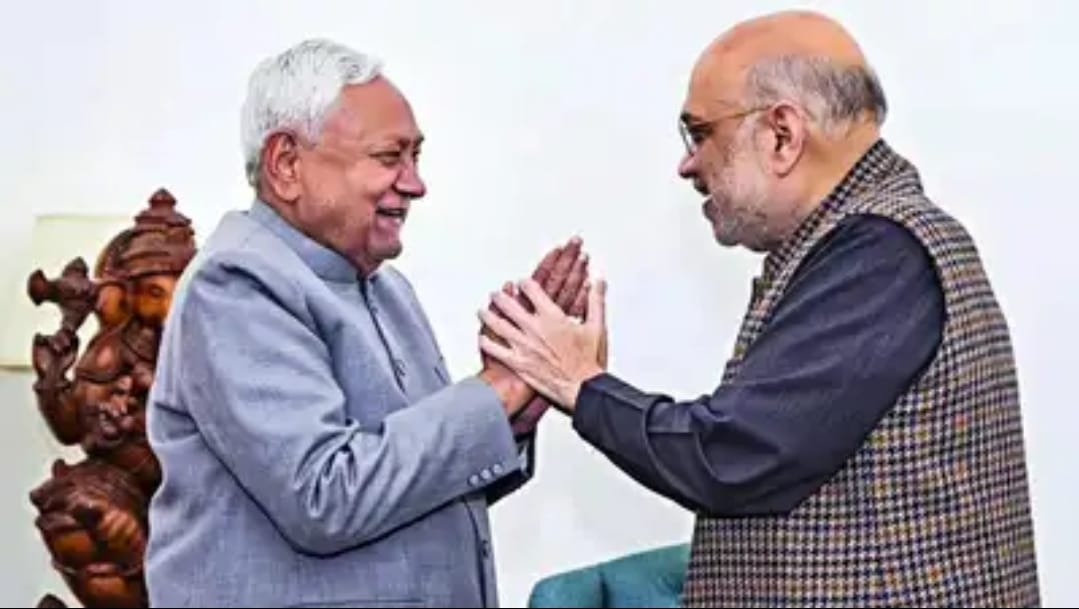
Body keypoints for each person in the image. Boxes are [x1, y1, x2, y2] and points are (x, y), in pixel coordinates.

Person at [478, 10, 1041, 607]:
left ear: (782, 135)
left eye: (699, 133)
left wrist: (579, 383)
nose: (687, 164)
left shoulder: (879, 251)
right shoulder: (866, 244)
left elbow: (732, 457)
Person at [144, 39, 588, 608]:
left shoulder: (386, 288)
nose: (415, 184)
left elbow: (409, 489)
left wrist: (514, 415)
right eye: (389, 157)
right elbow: (324, 496)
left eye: (416, 157)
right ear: (286, 164)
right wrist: (495, 390)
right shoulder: (237, 284)